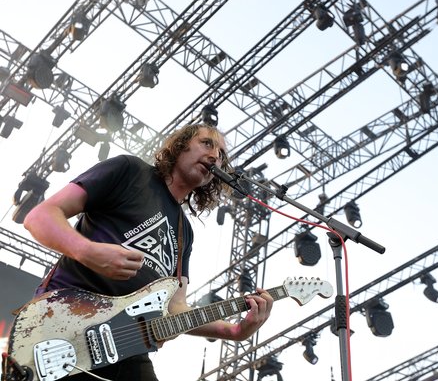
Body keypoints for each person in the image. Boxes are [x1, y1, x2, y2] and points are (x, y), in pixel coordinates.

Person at [21, 123, 274, 380]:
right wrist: (87, 251)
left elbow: (176, 308)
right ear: (180, 145)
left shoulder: (184, 232)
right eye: (207, 143)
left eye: (221, 155)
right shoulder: (129, 171)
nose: (214, 157)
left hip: (126, 348)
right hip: (65, 323)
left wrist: (234, 331)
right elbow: (40, 216)